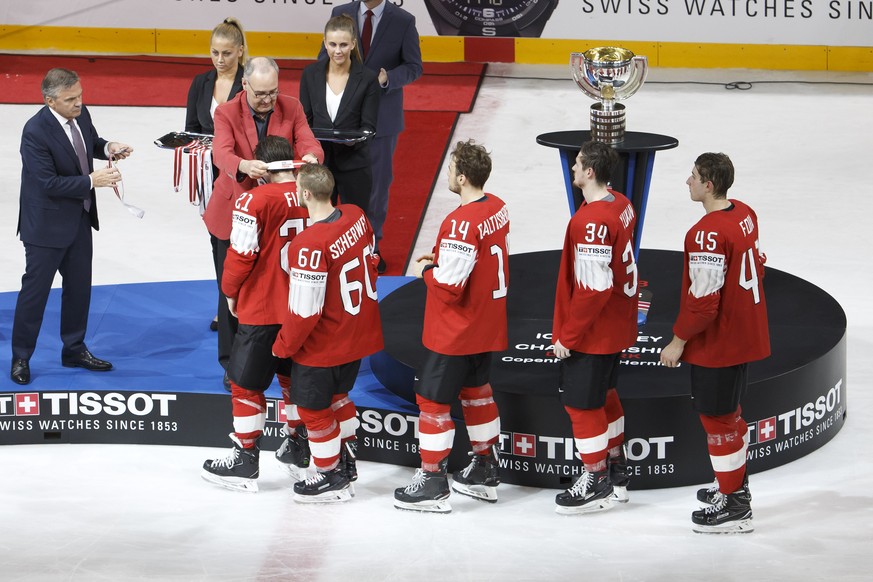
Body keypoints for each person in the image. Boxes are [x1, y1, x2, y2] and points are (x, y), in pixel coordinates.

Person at [393, 140, 509, 514]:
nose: (446, 174)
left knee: (432, 401)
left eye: (450, 169)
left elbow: (450, 286)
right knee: (477, 393)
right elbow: (473, 262)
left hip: (455, 330)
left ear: (461, 177)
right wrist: (443, 258)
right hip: (484, 324)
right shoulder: (497, 208)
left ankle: (432, 480)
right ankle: (485, 469)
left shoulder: (460, 221)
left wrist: (429, 270)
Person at [660, 152, 770, 534]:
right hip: (744, 336)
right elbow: (757, 259)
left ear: (709, 184)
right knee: (730, 414)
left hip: (718, 344)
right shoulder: (745, 213)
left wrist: (677, 341)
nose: (686, 182)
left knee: (717, 421)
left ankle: (736, 506)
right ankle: (733, 485)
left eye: (692, 176)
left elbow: (704, 302)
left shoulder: (705, 233)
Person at [201, 136, 311, 493]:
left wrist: (229, 292)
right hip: (303, 308)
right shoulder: (314, 193)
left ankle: (245, 459)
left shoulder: (253, 199)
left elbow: (241, 254)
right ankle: (299, 445)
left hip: (263, 308)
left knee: (245, 385)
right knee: (292, 379)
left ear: (262, 168)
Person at [11, 68, 132, 385]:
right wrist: (93, 181)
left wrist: (107, 148)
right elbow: (48, 183)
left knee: (79, 290)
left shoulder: (81, 111)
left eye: (80, 96)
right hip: (45, 227)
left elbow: (89, 141)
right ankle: (21, 356)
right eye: (70, 99)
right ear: (50, 101)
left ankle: (74, 349)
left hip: (78, 218)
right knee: (34, 295)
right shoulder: (35, 132)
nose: (79, 103)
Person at [208, 56, 324, 389]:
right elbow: (221, 153)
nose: (267, 99)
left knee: (283, 285)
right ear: (244, 85)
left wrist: (313, 155)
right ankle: (231, 364)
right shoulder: (226, 112)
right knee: (231, 288)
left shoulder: (292, 106)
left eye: (272, 92)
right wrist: (243, 165)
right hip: (233, 214)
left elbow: (307, 140)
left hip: (278, 213)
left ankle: (288, 356)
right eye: (260, 93)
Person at [272, 163, 383, 503]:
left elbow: (305, 310)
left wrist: (283, 345)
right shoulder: (356, 215)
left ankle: (329, 472)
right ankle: (346, 465)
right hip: (358, 331)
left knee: (312, 409)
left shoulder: (309, 243)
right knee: (340, 398)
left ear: (304, 193)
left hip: (324, 342)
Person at [550, 140, 638, 515]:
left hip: (594, 332)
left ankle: (596, 477)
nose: (573, 167)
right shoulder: (621, 203)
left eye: (578, 163)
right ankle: (616, 469)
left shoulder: (590, 222)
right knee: (607, 396)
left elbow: (595, 288)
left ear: (590, 172)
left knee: (581, 406)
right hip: (617, 324)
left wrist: (568, 336)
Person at [325, 0, 423, 274]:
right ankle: (333, 243)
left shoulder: (403, 20)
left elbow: (414, 66)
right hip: (340, 118)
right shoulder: (339, 13)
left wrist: (387, 78)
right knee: (333, 182)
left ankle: (370, 247)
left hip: (382, 120)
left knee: (377, 187)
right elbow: (325, 60)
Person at [185, 17, 246, 338]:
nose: (220, 60)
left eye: (226, 53)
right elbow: (190, 128)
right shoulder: (200, 82)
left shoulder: (249, 83)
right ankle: (225, 302)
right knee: (216, 238)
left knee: (242, 239)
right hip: (208, 174)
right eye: (214, 53)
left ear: (240, 51)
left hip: (239, 173)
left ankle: (241, 302)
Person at [300, 14, 380, 215]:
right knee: (319, 223)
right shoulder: (310, 75)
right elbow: (304, 121)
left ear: (353, 44)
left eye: (343, 45)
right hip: (319, 166)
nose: (338, 51)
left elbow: (369, 126)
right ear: (324, 44)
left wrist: (352, 140)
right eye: (333, 44)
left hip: (355, 166)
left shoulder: (368, 79)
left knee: (356, 223)